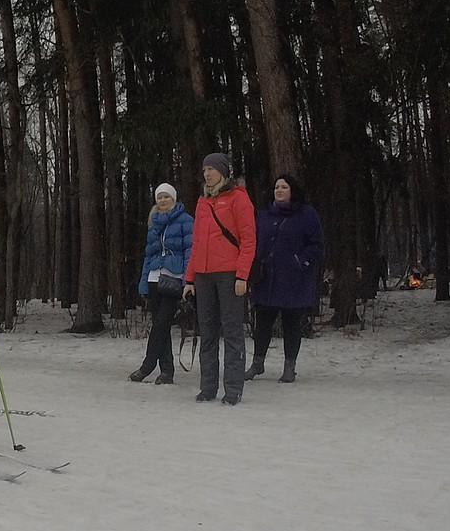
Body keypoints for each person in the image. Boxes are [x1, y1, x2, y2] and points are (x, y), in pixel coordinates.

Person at [184, 152, 257, 405]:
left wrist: (242, 275)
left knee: (232, 333)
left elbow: (248, 240)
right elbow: (196, 243)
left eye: (211, 169)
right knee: (207, 333)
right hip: (203, 276)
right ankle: (208, 388)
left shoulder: (239, 198)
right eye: (204, 169)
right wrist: (190, 279)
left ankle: (233, 389)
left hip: (229, 275)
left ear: (223, 172)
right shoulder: (202, 201)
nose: (207, 173)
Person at [248, 173, 325, 383]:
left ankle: (290, 367)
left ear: (293, 190)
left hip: (294, 280)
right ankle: (257, 364)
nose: (279, 191)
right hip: (266, 279)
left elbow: (317, 245)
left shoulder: (306, 214)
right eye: (276, 187)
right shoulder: (264, 214)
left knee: (292, 325)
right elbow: (253, 241)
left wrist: (301, 261)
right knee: (262, 324)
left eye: (284, 187)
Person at [131, 183, 193, 383]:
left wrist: (188, 280)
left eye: (167, 196)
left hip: (174, 279)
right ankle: (166, 371)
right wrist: (143, 283)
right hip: (154, 278)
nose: (163, 200)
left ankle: (147, 365)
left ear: (174, 198)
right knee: (161, 326)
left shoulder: (185, 221)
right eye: (160, 197)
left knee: (161, 323)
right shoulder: (154, 222)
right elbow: (149, 255)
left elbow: (190, 252)